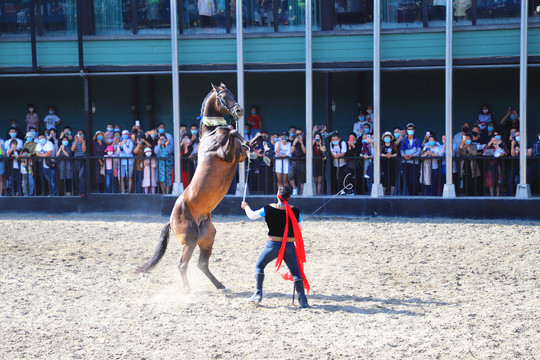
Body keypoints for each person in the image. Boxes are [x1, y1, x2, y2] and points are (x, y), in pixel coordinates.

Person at [241, 185, 309, 308]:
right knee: (296, 273)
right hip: (289, 246)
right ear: (289, 197)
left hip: (272, 245)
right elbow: (301, 228)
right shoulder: (295, 211)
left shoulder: (268, 208)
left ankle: (258, 294)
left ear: (278, 193)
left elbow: (251, 216)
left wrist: (246, 207)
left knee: (259, 266)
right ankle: (303, 301)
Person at [483, 131, 507, 197]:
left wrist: (498, 147)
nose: (496, 136)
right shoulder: (491, 143)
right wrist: (491, 142)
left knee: (498, 181)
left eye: (497, 134)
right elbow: (484, 150)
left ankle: (497, 195)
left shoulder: (503, 143)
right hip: (490, 164)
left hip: (499, 164)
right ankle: (491, 196)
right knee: (490, 180)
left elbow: (506, 152)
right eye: (494, 135)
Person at [400, 123, 422, 195]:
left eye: (412, 129)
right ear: (406, 131)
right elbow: (402, 151)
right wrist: (404, 155)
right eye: (409, 129)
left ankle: (414, 194)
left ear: (414, 130)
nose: (410, 131)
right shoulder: (403, 140)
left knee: (414, 180)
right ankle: (410, 194)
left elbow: (418, 151)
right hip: (405, 162)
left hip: (414, 163)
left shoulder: (417, 140)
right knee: (407, 180)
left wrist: (412, 155)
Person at [289, 128, 306, 195]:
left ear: (303, 134)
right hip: (294, 160)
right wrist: (294, 142)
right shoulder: (292, 141)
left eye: (300, 134)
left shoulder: (304, 141)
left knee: (302, 178)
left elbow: (305, 151)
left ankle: (302, 192)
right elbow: (291, 151)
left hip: (302, 160)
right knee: (290, 175)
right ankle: (294, 188)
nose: (298, 136)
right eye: (297, 134)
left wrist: (301, 142)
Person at [380, 131, 398, 195]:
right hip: (384, 165)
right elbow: (379, 153)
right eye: (386, 136)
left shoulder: (394, 145)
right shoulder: (382, 145)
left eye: (388, 137)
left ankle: (392, 194)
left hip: (392, 164)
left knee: (392, 179)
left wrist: (391, 156)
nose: (387, 138)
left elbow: (396, 154)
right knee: (385, 179)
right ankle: (383, 194)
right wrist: (385, 155)